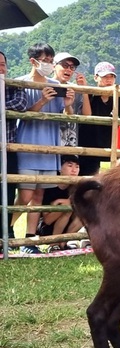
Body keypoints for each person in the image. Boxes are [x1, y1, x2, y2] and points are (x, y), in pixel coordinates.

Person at [12, 43, 76, 254]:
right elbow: (20, 114)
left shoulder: (55, 84)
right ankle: (7, 228)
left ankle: (29, 242)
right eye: (46, 60)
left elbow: (66, 117)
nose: (48, 64)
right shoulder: (20, 83)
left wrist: (67, 103)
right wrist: (41, 100)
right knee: (25, 195)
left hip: (50, 146)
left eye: (51, 60)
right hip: (28, 145)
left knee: (38, 196)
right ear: (33, 61)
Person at [0, 50, 27, 249]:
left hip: (8, 148)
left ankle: (5, 235)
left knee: (9, 192)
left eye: (3, 64)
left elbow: (20, 104)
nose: (1, 68)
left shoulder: (14, 85)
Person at [36, 155, 83, 252]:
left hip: (67, 226)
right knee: (66, 208)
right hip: (47, 228)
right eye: (70, 166)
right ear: (60, 168)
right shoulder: (49, 186)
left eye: (77, 167)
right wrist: (64, 205)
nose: (74, 170)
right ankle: (53, 244)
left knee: (84, 213)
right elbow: (47, 220)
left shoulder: (76, 186)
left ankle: (63, 242)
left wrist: (58, 202)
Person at [52, 52, 87, 146]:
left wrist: (84, 88)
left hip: (70, 140)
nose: (68, 70)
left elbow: (87, 114)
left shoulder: (75, 89)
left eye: (72, 67)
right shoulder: (45, 86)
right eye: (65, 65)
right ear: (53, 66)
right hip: (50, 136)